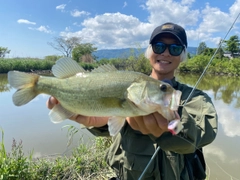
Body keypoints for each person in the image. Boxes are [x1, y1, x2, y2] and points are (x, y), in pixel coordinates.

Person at [47, 22, 218, 180]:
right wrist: (97, 122)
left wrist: (172, 124)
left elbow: (205, 133)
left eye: (174, 48)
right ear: (149, 52)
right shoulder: (132, 88)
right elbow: (111, 125)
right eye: (159, 46)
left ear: (182, 55)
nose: (165, 52)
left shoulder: (196, 98)